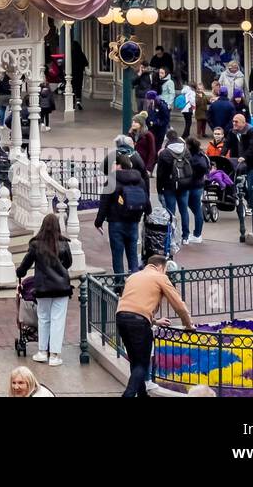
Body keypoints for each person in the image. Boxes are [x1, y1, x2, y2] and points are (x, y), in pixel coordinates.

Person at [115, 254, 194, 398]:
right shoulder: (160, 277)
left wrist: (155, 321)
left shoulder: (133, 277)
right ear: (160, 267)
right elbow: (178, 304)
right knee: (142, 363)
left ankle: (142, 394)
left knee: (135, 361)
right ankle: (128, 394)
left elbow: (134, 304)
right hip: (139, 323)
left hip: (121, 318)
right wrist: (188, 325)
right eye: (165, 271)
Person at [15, 213, 73, 367]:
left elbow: (26, 264)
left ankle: (42, 351)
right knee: (57, 320)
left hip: (42, 287)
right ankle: (54, 354)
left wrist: (19, 272)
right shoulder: (63, 244)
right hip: (61, 288)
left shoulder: (36, 244)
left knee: (43, 318)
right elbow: (68, 263)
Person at [95, 153, 148, 278]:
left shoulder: (112, 180)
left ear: (119, 165)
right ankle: (135, 282)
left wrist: (98, 222)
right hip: (134, 221)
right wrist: (147, 213)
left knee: (117, 255)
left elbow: (104, 203)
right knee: (132, 254)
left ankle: (119, 285)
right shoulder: (139, 180)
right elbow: (146, 199)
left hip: (116, 222)